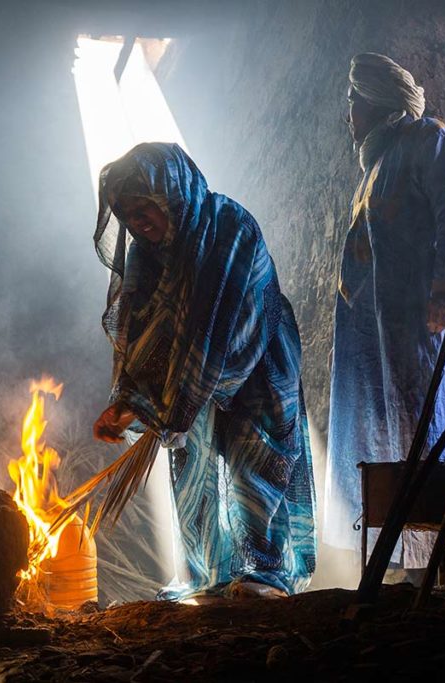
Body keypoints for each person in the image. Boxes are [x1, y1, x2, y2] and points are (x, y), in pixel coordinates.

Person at [91, 142, 316, 601]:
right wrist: (128, 400)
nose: (138, 222)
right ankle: (211, 572)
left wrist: (174, 408)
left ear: (172, 194)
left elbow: (216, 326)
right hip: (186, 382)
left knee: (255, 455)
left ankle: (264, 573)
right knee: (190, 463)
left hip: (256, 359)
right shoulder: (145, 255)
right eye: (128, 214)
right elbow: (138, 331)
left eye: (145, 208)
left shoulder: (229, 230)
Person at [323, 53, 445, 576]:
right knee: (392, 430)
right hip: (373, 336)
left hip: (420, 326)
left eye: (354, 99)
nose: (349, 110)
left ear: (377, 100)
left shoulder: (429, 139)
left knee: (436, 424)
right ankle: (415, 559)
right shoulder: (375, 165)